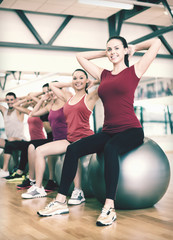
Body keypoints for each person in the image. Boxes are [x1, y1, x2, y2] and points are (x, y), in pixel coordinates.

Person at [37, 37, 162, 226]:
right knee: (73, 149)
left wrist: (133, 48)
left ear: (124, 49)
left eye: (116, 48)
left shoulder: (134, 70)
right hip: (108, 130)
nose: (112, 52)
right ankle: (60, 201)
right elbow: (81, 56)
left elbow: (156, 42)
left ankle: (109, 207)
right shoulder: (103, 74)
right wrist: (106, 53)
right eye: (109, 49)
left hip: (131, 130)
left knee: (110, 149)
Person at [21, 69, 99, 203]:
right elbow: (52, 85)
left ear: (86, 80)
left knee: (74, 150)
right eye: (75, 78)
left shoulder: (89, 97)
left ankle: (78, 191)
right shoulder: (68, 99)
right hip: (69, 138)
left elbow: (106, 80)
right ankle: (38, 188)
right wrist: (74, 82)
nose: (77, 80)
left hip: (85, 137)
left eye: (81, 78)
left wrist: (92, 82)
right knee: (39, 151)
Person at [0, 92, 25, 178]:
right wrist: (4, 100)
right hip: (10, 140)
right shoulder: (5, 111)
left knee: (9, 143)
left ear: (15, 100)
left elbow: (28, 99)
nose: (10, 102)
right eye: (8, 100)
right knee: (8, 142)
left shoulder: (19, 110)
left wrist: (17, 99)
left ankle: (5, 170)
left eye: (12, 100)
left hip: (20, 140)